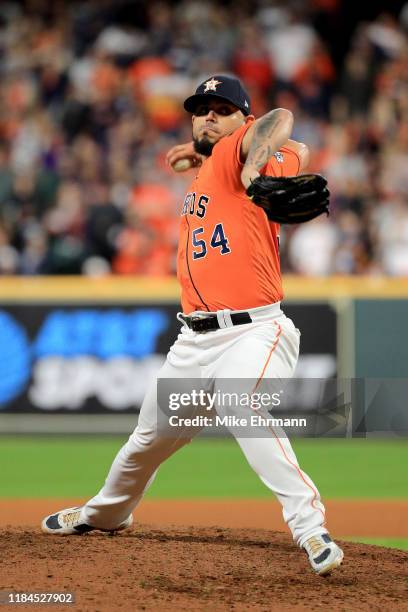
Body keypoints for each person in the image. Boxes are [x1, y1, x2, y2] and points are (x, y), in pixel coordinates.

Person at [42, 75, 344, 576]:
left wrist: (242, 161)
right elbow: (294, 149)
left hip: (254, 330)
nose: (207, 114)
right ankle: (106, 514)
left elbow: (285, 124)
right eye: (200, 108)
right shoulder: (218, 162)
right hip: (194, 341)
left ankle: (310, 528)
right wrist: (199, 151)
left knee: (239, 401)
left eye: (221, 108)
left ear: (242, 122)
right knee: (147, 439)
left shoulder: (237, 154)